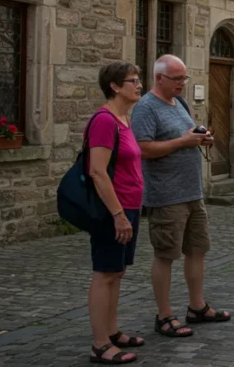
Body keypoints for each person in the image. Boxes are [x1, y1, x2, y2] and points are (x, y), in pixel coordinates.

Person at [131, 55, 228, 339]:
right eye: (176, 79)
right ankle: (163, 316)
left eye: (184, 78)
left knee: (197, 249)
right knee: (166, 255)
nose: (182, 84)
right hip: (166, 195)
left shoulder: (180, 103)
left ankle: (197, 307)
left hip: (192, 191)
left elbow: (186, 135)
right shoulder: (146, 108)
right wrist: (183, 142)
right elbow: (142, 149)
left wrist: (201, 138)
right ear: (159, 78)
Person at [86, 62, 146, 365]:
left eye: (138, 80)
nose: (138, 85)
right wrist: (118, 215)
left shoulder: (124, 118)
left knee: (117, 272)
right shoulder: (104, 120)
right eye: (132, 81)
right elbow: (97, 172)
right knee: (104, 273)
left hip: (129, 207)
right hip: (113, 210)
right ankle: (99, 343)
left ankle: (111, 331)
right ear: (114, 86)